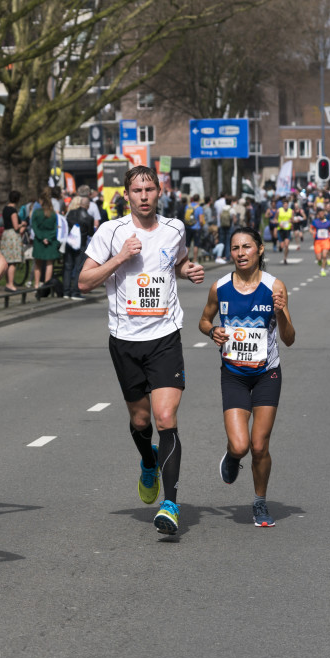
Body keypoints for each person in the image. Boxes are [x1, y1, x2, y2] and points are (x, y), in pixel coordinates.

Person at [78, 165, 205, 536]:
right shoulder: (110, 232)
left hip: (165, 336)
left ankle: (170, 504)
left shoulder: (175, 228)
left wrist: (188, 270)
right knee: (140, 421)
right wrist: (118, 258)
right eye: (137, 190)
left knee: (165, 419)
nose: (145, 196)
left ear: (159, 192)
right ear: (127, 195)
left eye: (150, 189)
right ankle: (148, 462)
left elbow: (175, 262)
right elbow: (84, 281)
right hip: (125, 340)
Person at [197, 227, 295, 527]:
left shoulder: (275, 287)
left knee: (259, 446)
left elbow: (289, 338)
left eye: (247, 247)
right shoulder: (220, 287)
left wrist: (280, 314)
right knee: (240, 446)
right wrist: (212, 330)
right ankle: (231, 457)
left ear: (260, 250)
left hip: (267, 373)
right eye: (235, 248)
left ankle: (260, 503)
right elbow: (204, 320)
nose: (240, 253)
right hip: (234, 374)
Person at [63, 194, 94, 298]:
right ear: (88, 206)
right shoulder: (89, 218)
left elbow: (66, 225)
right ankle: (75, 292)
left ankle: (66, 291)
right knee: (78, 268)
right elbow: (90, 233)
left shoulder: (71, 213)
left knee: (67, 267)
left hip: (70, 243)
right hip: (81, 245)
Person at [30, 186, 59, 290]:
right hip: (50, 241)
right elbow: (55, 228)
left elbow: (34, 227)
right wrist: (48, 238)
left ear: (41, 201)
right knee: (49, 264)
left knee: (38, 264)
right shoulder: (53, 214)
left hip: (39, 241)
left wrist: (42, 238)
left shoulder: (36, 213)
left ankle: (36, 284)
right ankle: (47, 285)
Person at [0, 190, 26, 291]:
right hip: (12, 236)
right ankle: (10, 284)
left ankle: (7, 283)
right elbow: (15, 226)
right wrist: (23, 224)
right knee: (13, 262)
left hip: (5, 234)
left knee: (7, 261)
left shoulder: (5, 209)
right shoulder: (13, 211)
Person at [309, 207, 330, 276]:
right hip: (317, 241)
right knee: (319, 257)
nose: (321, 215)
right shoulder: (315, 221)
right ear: (318, 214)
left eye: (322, 213)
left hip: (326, 240)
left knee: (324, 255)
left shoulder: (328, 222)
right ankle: (319, 261)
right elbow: (310, 228)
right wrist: (312, 232)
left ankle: (322, 270)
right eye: (320, 214)